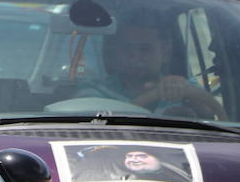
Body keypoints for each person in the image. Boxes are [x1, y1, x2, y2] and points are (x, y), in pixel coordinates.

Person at [76, 10, 226, 119]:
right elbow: (95, 125)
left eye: (145, 49)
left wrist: (190, 110)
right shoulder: (95, 92)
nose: (135, 57)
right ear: (115, 53)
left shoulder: (185, 88)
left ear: (165, 52)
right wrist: (154, 96)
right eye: (127, 48)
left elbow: (214, 116)